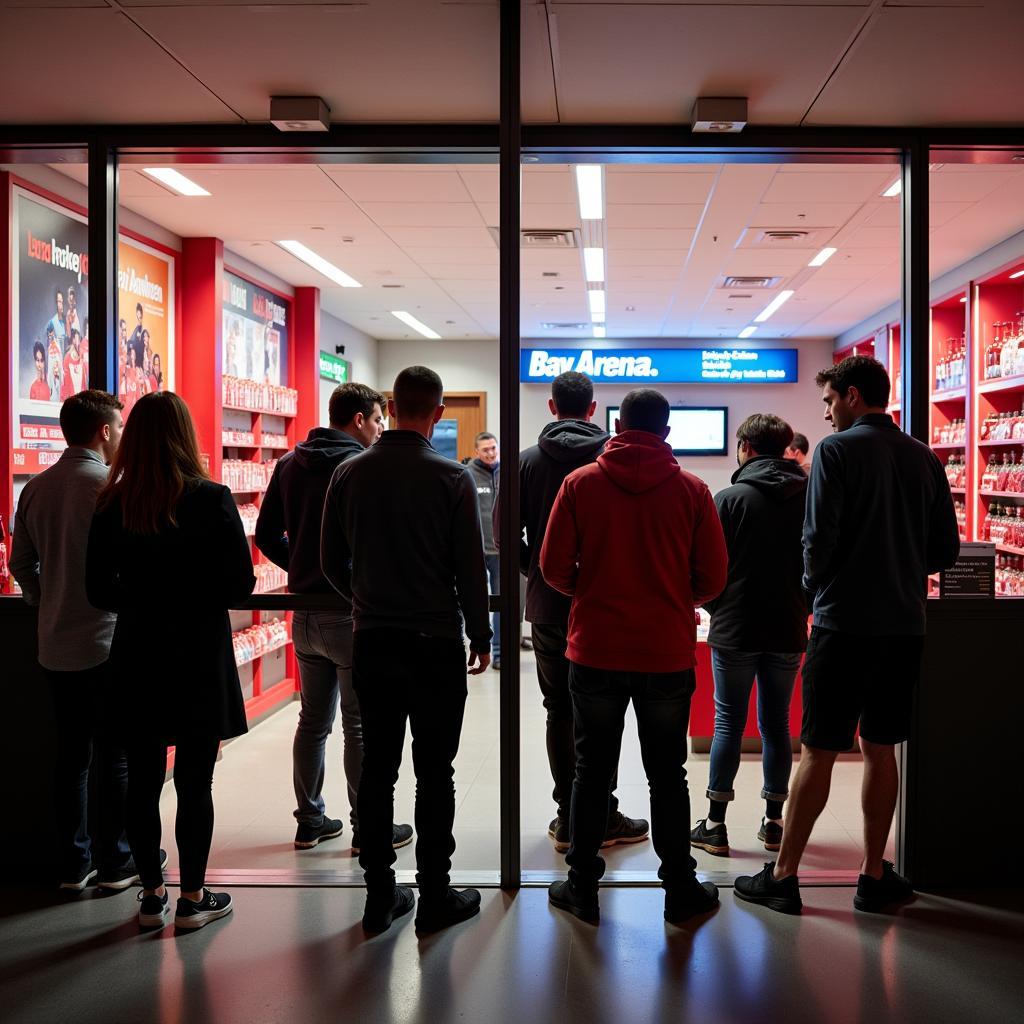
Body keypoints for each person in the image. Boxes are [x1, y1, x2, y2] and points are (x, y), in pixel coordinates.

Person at [735, 356, 961, 916]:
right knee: (881, 748)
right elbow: (946, 552)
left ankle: (784, 876)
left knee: (817, 751)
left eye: (831, 401)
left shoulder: (835, 452)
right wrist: (902, 569)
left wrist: (817, 593)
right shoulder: (924, 458)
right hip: (904, 626)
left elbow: (818, 539)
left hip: (843, 624)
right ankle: (873, 874)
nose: (828, 413)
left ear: (854, 395)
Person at [540, 388, 728, 925]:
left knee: (590, 772)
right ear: (667, 432)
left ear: (618, 424)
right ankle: (679, 889)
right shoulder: (694, 491)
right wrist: (673, 599)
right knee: (667, 774)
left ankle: (581, 886)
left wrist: (593, 591)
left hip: (595, 649)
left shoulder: (579, 485)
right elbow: (713, 578)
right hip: (665, 654)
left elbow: (554, 568)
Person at [321, 366, 491, 935]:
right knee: (434, 772)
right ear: (438, 413)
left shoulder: (348, 474)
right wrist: (482, 633)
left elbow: (327, 561)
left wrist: (364, 599)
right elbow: (471, 569)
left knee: (378, 769)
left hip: (374, 641)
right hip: (437, 643)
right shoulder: (452, 478)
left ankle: (378, 896)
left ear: (390, 408)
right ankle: (435, 895)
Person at [86, 391, 256, 931]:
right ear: (187, 435)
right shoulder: (211, 498)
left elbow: (97, 590)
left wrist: (141, 600)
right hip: (199, 656)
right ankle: (193, 898)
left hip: (136, 654)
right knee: (194, 781)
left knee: (141, 778)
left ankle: (152, 896)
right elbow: (240, 583)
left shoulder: (113, 504)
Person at [256, 382, 412, 854]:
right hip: (350, 610)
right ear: (359, 419)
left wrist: (302, 567)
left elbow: (266, 534)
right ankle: (368, 828)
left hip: (303, 613)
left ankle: (310, 820)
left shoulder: (288, 463)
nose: (382, 428)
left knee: (313, 720)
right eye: (378, 420)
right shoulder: (362, 467)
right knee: (358, 723)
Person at [504, 369, 648, 853]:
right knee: (603, 712)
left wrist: (542, 573)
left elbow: (505, 540)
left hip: (547, 606)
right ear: (592, 409)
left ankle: (569, 814)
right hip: (607, 605)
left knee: (558, 710)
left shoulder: (523, 463)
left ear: (551, 407)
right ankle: (601, 813)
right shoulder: (613, 459)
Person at [10, 390, 132, 892]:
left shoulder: (36, 488)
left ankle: (73, 862)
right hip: (105, 642)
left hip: (53, 645)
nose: (122, 436)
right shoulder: (108, 487)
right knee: (115, 754)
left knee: (71, 756)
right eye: (119, 427)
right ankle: (116, 860)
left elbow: (21, 564)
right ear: (104, 431)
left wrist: (44, 597)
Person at [691, 414, 808, 858]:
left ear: (744, 446)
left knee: (728, 722)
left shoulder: (730, 499)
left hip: (736, 628)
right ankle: (774, 823)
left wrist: (716, 610)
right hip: (788, 627)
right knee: (777, 723)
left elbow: (709, 567)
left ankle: (716, 826)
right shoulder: (808, 496)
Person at [467, 432, 502, 668]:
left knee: (501, 603)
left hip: (499, 551)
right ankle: (478, 645)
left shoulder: (506, 472)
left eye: (493, 448)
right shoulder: (468, 474)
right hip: (476, 551)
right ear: (476, 452)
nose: (490, 453)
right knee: (476, 601)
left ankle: (499, 653)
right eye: (485, 449)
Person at [60, 328, 87, 400]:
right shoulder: (67, 358)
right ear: (73, 340)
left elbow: (84, 380)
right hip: (71, 397)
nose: (79, 341)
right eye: (77, 338)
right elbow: (65, 381)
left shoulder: (81, 357)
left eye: (79, 338)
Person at [128, 302, 145, 370]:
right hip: (135, 361)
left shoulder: (141, 329)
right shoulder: (136, 329)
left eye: (140, 314)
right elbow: (131, 342)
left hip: (139, 361)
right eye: (137, 314)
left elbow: (138, 345)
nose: (138, 317)